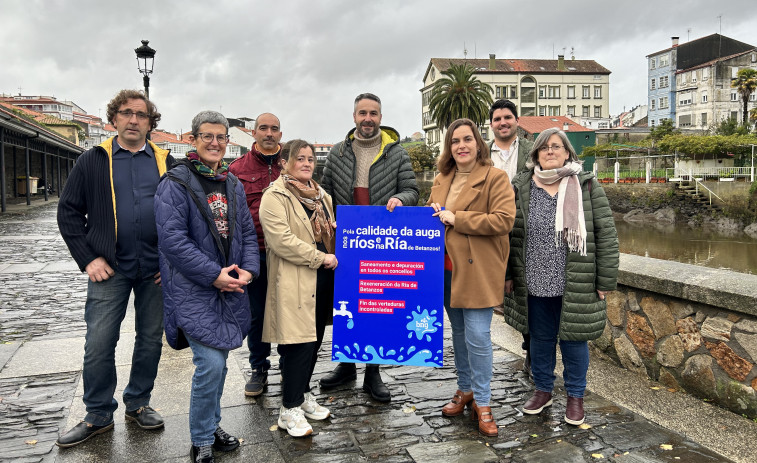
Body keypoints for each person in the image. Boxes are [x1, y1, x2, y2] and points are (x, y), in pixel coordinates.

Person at [56, 89, 173, 447]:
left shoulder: (167, 162)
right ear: (114, 119)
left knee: (151, 339)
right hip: (110, 267)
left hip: (155, 268)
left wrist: (170, 263)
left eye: (141, 114)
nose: (134, 120)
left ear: (151, 122)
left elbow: (183, 217)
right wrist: (89, 258)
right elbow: (69, 212)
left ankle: (138, 403)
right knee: (99, 342)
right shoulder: (93, 160)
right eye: (126, 113)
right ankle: (98, 413)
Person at [154, 110, 259, 462]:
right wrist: (214, 274)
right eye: (208, 136)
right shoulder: (176, 183)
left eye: (221, 137)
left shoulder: (232, 183)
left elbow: (245, 231)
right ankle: (200, 439)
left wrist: (248, 271)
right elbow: (173, 240)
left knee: (221, 360)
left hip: (230, 287)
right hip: (194, 289)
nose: (215, 143)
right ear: (193, 139)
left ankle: (211, 425)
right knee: (211, 364)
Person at [503, 128, 619, 426]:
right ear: (536, 154)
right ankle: (543, 390)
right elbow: (508, 235)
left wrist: (604, 281)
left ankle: (575, 396)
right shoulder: (522, 186)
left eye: (556, 146)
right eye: (544, 148)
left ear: (568, 152)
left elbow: (606, 234)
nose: (550, 151)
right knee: (540, 340)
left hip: (575, 279)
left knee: (573, 340)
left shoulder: (587, 185)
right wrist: (507, 274)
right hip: (533, 277)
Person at [319, 92, 419, 402]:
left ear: (380, 117)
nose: (368, 118)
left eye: (373, 113)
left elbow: (412, 190)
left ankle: (373, 372)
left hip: (382, 242)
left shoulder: (397, 153)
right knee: (347, 303)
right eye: (362, 113)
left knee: (376, 304)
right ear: (354, 117)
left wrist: (401, 200)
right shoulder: (337, 153)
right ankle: (347, 365)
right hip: (347, 242)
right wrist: (329, 219)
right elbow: (325, 194)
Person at [427, 118, 515, 437]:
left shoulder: (496, 178)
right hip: (446, 271)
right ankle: (465, 389)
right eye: (454, 141)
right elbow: (430, 218)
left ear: (478, 143)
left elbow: (504, 220)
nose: (461, 145)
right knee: (460, 333)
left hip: (477, 270)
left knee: (478, 336)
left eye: (467, 139)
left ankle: (484, 400)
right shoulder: (441, 179)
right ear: (449, 147)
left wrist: (458, 218)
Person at [259, 139, 337, 437]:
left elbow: (327, 234)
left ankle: (303, 396)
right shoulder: (274, 196)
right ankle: (288, 409)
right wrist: (320, 256)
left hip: (321, 280)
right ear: (285, 162)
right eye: (300, 158)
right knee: (296, 345)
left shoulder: (322, 197)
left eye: (310, 159)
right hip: (294, 280)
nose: (307, 163)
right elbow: (282, 242)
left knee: (314, 341)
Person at [228, 113, 283, 397]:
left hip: (287, 254)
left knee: (288, 312)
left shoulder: (292, 164)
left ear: (281, 135)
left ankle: (289, 366)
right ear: (254, 133)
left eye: (274, 129)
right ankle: (259, 367)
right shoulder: (237, 169)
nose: (269, 133)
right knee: (256, 315)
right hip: (255, 253)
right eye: (264, 128)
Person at [488, 98, 534, 377]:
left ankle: (531, 352)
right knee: (498, 295)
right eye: (497, 119)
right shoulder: (482, 154)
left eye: (508, 117)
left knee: (529, 294)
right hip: (491, 230)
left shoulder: (532, 150)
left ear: (517, 120)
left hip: (526, 230)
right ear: (491, 124)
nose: (503, 122)